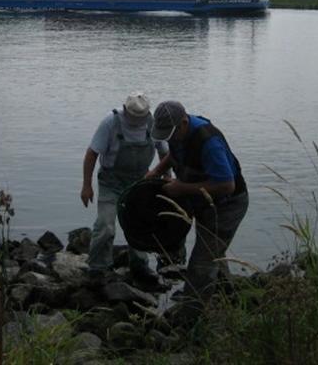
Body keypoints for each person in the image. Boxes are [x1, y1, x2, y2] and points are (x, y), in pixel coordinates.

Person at [146, 100, 249, 313]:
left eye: (170, 134)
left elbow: (227, 185)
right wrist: (156, 171)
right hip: (204, 202)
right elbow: (173, 155)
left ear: (184, 122)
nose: (169, 139)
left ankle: (191, 317)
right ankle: (228, 297)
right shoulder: (178, 133)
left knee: (202, 261)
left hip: (228, 205)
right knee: (213, 251)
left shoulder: (209, 142)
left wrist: (181, 188)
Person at [81, 92, 168, 283]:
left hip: (139, 183)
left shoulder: (152, 124)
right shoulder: (110, 122)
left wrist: (167, 178)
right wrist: (86, 186)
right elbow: (92, 154)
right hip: (110, 182)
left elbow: (165, 154)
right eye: (133, 116)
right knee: (105, 226)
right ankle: (97, 268)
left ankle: (139, 266)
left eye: (141, 117)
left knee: (138, 226)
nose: (137, 120)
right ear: (125, 110)